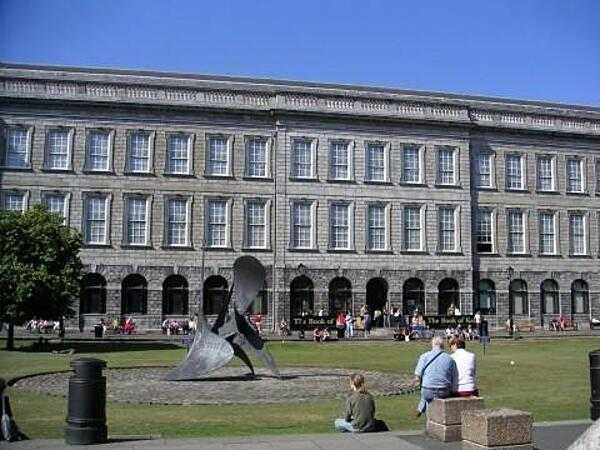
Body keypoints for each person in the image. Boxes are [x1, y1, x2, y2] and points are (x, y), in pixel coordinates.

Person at [413, 336, 458, 416]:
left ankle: (422, 410)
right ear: (443, 345)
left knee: (426, 395)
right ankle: (423, 409)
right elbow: (454, 377)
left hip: (428, 389)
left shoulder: (424, 356)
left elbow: (418, 375)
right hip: (444, 390)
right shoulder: (450, 359)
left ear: (432, 345)